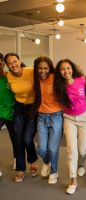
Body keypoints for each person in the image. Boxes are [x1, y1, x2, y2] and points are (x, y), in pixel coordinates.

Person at [54, 59, 86, 194]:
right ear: (59, 72)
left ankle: (81, 163)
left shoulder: (81, 79)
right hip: (69, 119)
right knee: (71, 150)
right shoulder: (59, 86)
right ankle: (73, 181)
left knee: (83, 151)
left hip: (85, 118)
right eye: (63, 69)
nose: (66, 71)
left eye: (68, 68)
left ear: (72, 68)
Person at [4, 53, 38, 183]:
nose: (13, 64)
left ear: (19, 61)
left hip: (32, 107)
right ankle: (20, 169)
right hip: (19, 107)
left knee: (27, 139)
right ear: (7, 66)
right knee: (17, 138)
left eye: (14, 61)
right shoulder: (9, 76)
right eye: (10, 63)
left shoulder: (30, 71)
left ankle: (33, 160)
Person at [31, 56, 63, 184]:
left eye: (45, 68)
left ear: (50, 68)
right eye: (40, 68)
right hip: (41, 116)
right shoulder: (35, 79)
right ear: (36, 69)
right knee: (42, 149)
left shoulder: (56, 77)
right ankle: (46, 161)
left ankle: (54, 172)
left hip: (56, 116)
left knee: (53, 148)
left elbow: (70, 74)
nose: (42, 71)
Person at [0, 53, 16, 173]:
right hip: (0, 113)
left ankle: (16, 158)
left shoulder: (9, 76)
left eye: (0, 62)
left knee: (14, 138)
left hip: (11, 112)